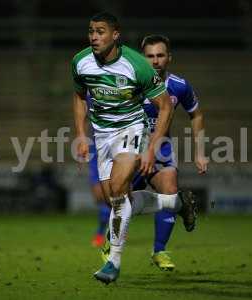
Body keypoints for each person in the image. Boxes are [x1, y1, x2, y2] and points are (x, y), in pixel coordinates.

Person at [72, 12, 196, 283]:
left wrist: (151, 148)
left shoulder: (136, 65)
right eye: (91, 30)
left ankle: (113, 263)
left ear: (115, 35)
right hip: (101, 136)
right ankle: (175, 202)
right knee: (116, 200)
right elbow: (80, 96)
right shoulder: (80, 62)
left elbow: (165, 106)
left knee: (118, 190)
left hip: (132, 130)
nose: (94, 36)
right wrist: (81, 134)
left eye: (101, 31)